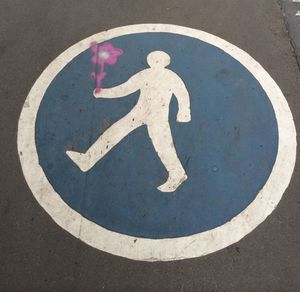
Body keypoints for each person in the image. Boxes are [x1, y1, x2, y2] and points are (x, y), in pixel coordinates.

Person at [66, 51, 191, 192]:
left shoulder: (171, 77)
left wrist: (184, 113)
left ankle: (177, 174)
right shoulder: (144, 74)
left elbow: (182, 94)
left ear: (165, 62)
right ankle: (87, 159)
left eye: (159, 60)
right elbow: (125, 88)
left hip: (158, 116)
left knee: (164, 146)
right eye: (154, 60)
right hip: (139, 112)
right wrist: (104, 93)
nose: (156, 62)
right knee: (113, 132)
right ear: (149, 61)